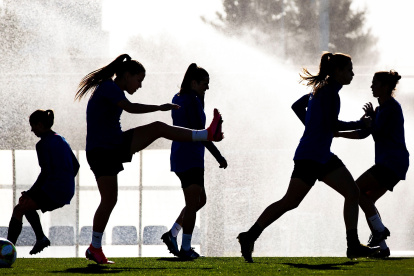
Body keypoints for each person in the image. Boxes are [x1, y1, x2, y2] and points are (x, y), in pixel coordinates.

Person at [74, 54, 224, 264]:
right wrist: (159, 107)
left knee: (110, 199)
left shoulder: (111, 87)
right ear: (127, 75)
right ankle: (205, 135)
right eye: (139, 80)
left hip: (110, 147)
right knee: (157, 129)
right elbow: (131, 107)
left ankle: (94, 247)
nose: (140, 85)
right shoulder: (109, 87)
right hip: (105, 150)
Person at [237, 52, 379, 263]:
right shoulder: (330, 92)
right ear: (337, 71)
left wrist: (313, 128)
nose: (353, 73)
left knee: (351, 192)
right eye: (349, 69)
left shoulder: (320, 89)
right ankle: (249, 236)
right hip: (312, 157)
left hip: (317, 155)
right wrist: (361, 124)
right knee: (291, 201)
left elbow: (297, 107)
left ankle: (352, 245)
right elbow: (333, 126)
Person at [335, 70, 409, 258]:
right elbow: (366, 132)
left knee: (355, 190)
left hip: (391, 162)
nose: (371, 86)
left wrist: (368, 122)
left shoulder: (391, 107)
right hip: (393, 163)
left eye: (375, 83)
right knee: (365, 199)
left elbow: (374, 131)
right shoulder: (381, 109)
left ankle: (380, 231)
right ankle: (383, 248)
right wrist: (342, 133)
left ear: (385, 87)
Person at [161, 64, 227, 260]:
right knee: (192, 204)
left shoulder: (179, 97)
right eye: (204, 84)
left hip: (180, 154)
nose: (207, 88)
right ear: (194, 82)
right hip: (191, 156)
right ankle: (186, 248)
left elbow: (195, 130)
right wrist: (218, 155)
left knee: (199, 200)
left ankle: (172, 234)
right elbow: (201, 133)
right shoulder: (193, 101)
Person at [7, 109, 79, 255]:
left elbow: (45, 172)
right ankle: (40, 238)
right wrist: (66, 182)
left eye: (32, 125)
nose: (31, 130)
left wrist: (31, 192)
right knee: (25, 204)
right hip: (67, 190)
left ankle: (7, 250)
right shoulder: (61, 139)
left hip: (55, 189)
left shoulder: (42, 144)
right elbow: (76, 166)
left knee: (19, 209)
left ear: (40, 124)